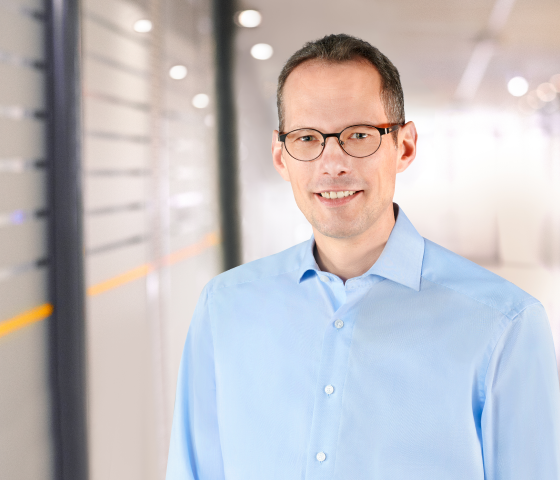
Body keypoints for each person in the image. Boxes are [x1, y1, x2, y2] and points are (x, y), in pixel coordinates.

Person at [166, 34, 560, 480]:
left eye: (358, 135)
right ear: (281, 154)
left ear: (404, 147)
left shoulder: (504, 324)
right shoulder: (225, 308)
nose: (332, 163)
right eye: (307, 138)